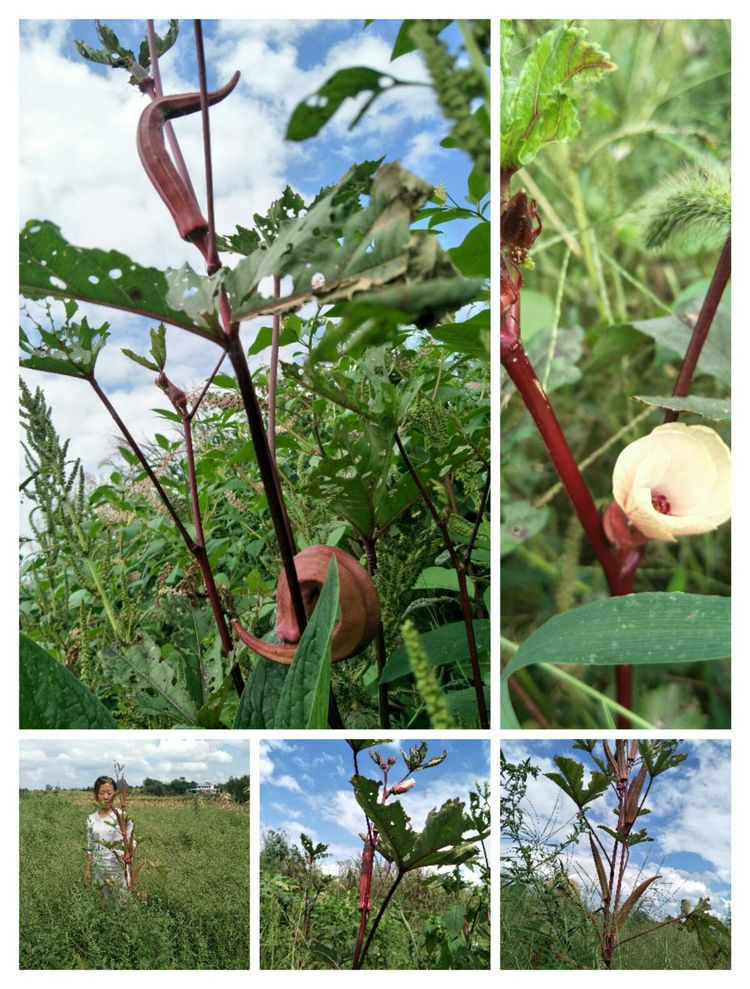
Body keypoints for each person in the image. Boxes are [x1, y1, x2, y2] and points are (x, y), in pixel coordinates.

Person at [85, 776, 135, 899]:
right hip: (99, 870)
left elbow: (131, 840)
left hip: (118, 869)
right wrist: (88, 869)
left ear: (115, 794)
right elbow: (90, 847)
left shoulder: (122, 816)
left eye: (109, 793)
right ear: (96, 794)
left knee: (122, 903)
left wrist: (129, 853)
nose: (106, 797)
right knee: (103, 905)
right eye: (101, 793)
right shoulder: (91, 819)